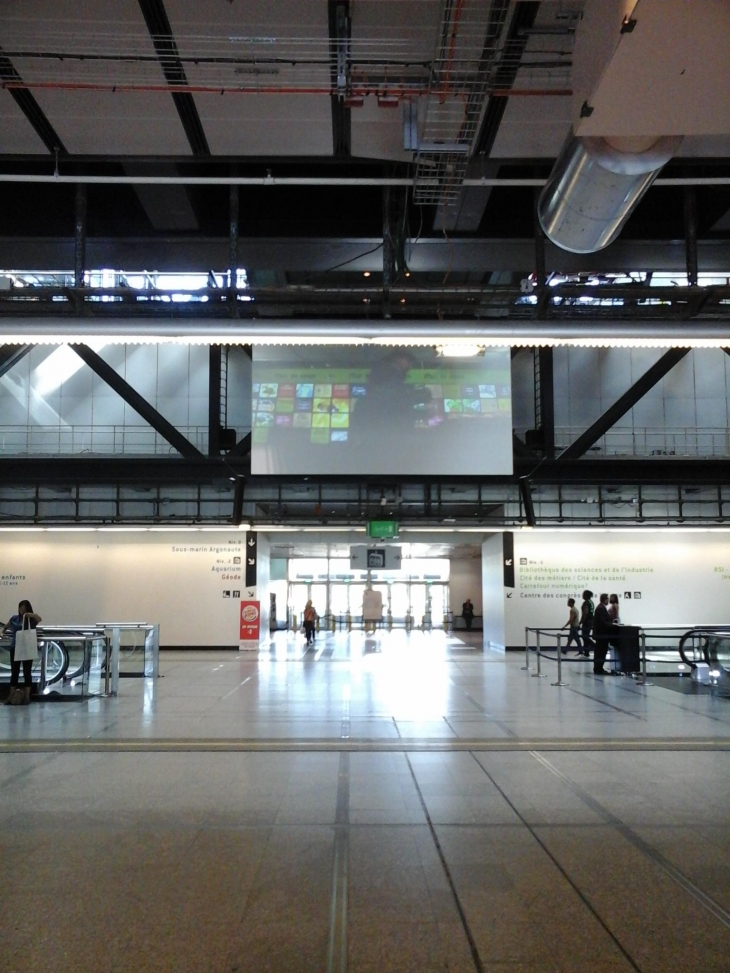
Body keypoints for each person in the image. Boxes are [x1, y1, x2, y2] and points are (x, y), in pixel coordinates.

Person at [2, 599, 42, 706]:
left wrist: (31, 615)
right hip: (15, 647)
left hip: (27, 648)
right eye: (20, 608)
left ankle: (27, 696)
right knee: (14, 672)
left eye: (24, 609)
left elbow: (39, 619)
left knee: (27, 672)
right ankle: (11, 696)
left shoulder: (31, 620)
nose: (22, 611)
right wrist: (2, 632)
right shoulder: (14, 618)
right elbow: (5, 627)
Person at [592, 593, 614, 675]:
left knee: (600, 652)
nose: (608, 601)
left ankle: (598, 668)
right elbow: (602, 622)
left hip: (601, 635)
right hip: (602, 635)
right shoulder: (601, 608)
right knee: (600, 652)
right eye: (607, 599)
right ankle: (598, 668)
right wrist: (612, 625)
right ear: (604, 599)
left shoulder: (600, 607)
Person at [579, 589, 595, 657]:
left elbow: (585, 613)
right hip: (591, 621)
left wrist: (580, 622)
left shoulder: (586, 603)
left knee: (584, 636)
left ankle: (594, 646)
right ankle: (586, 651)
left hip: (587, 621)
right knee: (586, 636)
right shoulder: (591, 602)